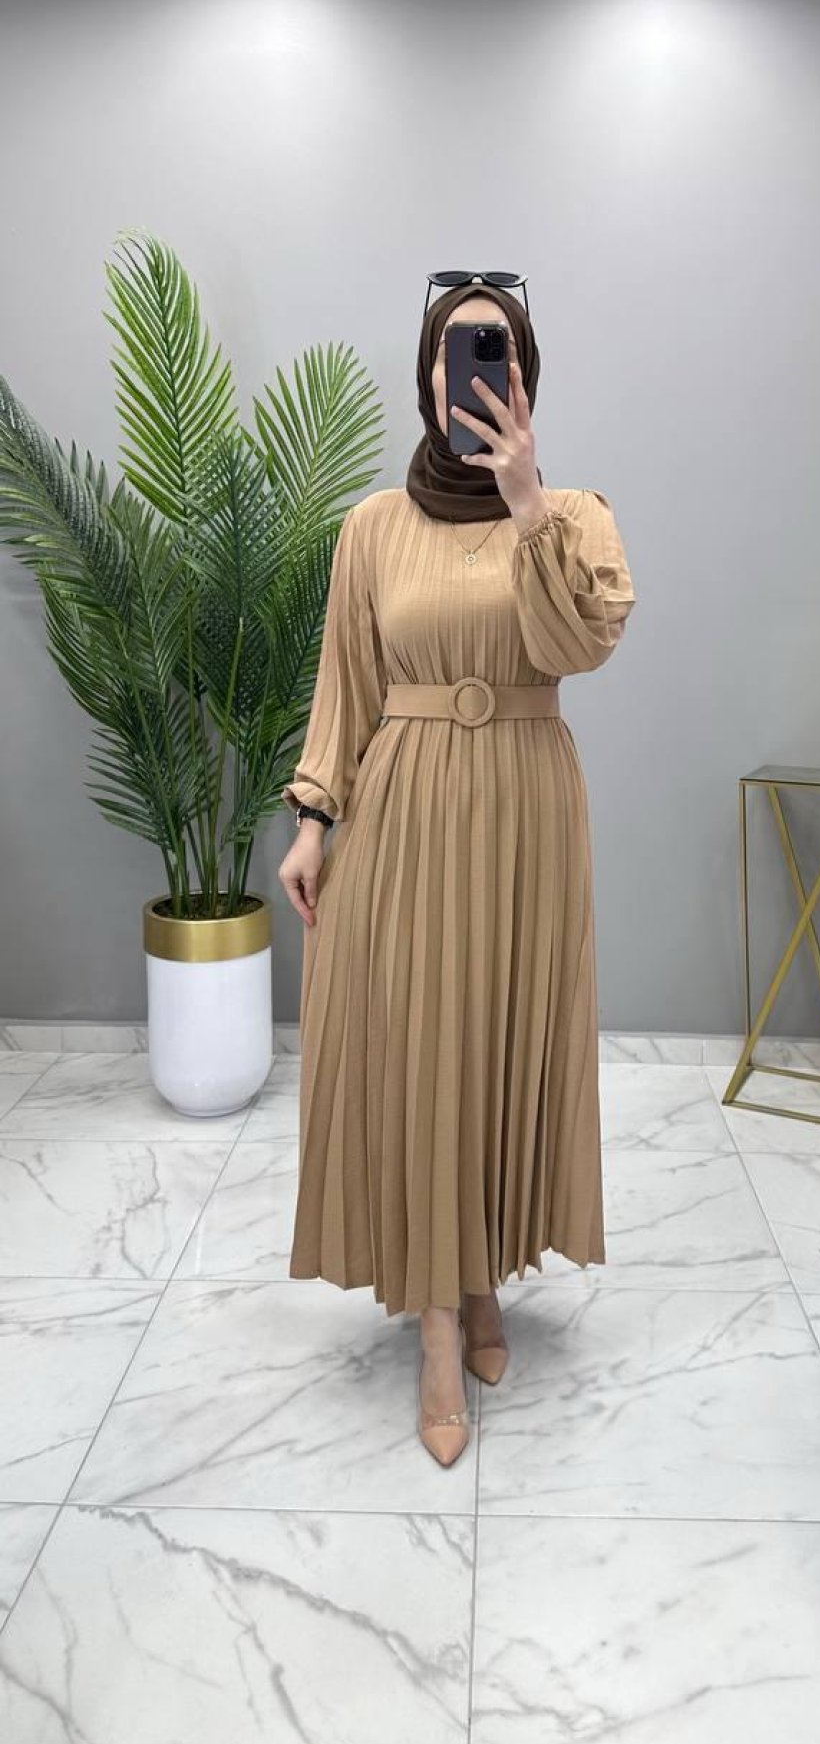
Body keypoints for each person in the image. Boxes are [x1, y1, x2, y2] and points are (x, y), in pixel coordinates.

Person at [278, 278, 637, 1466]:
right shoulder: (373, 527)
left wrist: (526, 502)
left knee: (495, 1046)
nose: (467, 374)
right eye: (450, 352)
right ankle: (440, 1325)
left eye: (492, 352)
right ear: (427, 374)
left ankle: (481, 1278)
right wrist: (313, 820)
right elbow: (347, 684)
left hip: (527, 813)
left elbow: (578, 643)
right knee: (421, 1051)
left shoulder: (575, 514)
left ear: (522, 377)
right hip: (404, 811)